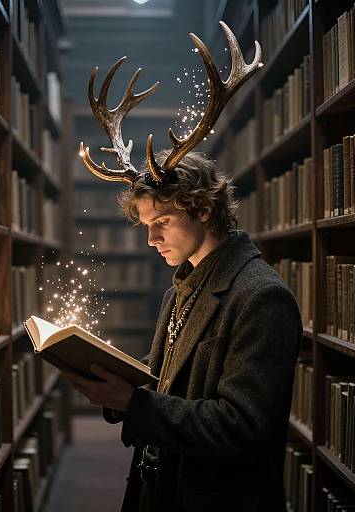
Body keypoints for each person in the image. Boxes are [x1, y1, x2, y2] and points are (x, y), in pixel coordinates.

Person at [65, 149, 303, 511]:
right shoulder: (181, 288)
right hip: (164, 484)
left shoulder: (262, 297)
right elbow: (173, 374)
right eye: (147, 226)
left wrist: (132, 402)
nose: (151, 240)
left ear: (203, 210)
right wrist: (106, 373)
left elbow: (240, 428)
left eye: (162, 221)